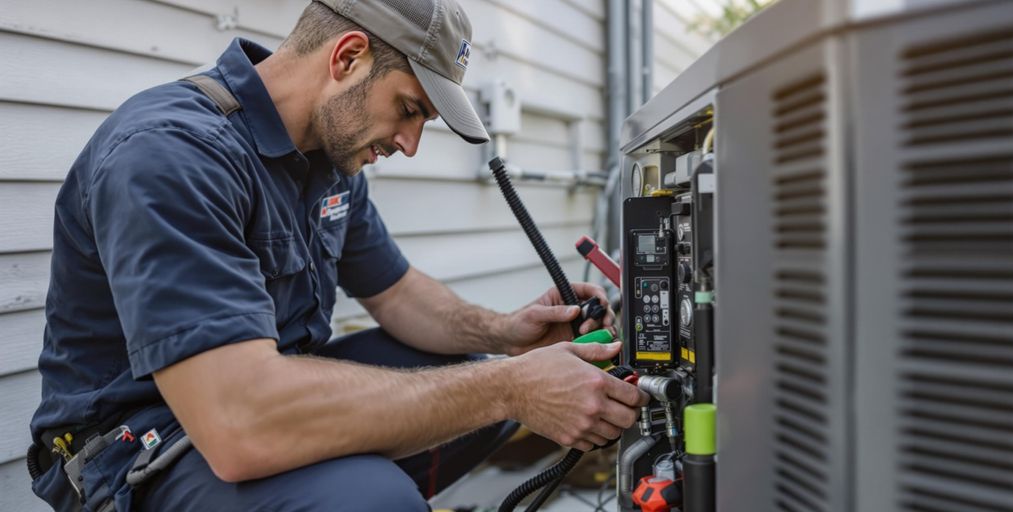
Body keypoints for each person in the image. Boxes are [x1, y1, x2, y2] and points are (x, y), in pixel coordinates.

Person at [28, 0, 647, 510]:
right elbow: (240, 421)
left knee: (464, 360)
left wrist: (508, 335)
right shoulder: (172, 153)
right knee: (376, 497)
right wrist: (511, 389)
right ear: (347, 57)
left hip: (252, 403)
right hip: (138, 448)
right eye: (409, 110)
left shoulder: (328, 160)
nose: (409, 144)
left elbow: (397, 291)